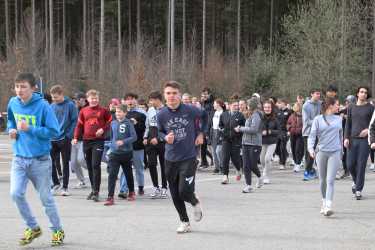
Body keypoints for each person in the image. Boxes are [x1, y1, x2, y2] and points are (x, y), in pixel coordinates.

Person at [7, 73, 65, 246]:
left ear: (34, 88)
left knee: (46, 198)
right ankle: (33, 227)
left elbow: (55, 132)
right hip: (19, 159)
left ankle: (57, 230)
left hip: (40, 160)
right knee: (15, 194)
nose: (19, 90)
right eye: (17, 86)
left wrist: (30, 128)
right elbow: (10, 120)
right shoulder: (13, 103)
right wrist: (12, 129)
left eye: (23, 86)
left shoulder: (43, 106)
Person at [157, 81, 205, 234]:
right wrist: (165, 138)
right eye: (168, 93)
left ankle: (194, 201)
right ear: (164, 96)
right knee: (175, 193)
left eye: (174, 93)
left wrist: (201, 133)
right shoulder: (161, 114)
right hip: (170, 158)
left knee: (184, 191)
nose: (171, 96)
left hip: (188, 156)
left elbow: (205, 116)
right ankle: (184, 222)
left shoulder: (190, 110)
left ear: (179, 94)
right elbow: (158, 132)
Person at [73, 89, 112, 202]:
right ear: (87, 99)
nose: (94, 100)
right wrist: (75, 137)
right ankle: (93, 189)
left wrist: (103, 129)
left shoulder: (104, 110)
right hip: (86, 141)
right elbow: (79, 126)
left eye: (96, 98)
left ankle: (96, 191)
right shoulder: (83, 111)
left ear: (98, 99)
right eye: (92, 98)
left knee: (95, 165)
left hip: (98, 141)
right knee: (89, 166)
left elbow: (110, 122)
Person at [308, 97, 342, 216]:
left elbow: (340, 137)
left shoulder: (339, 119)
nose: (339, 107)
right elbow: (312, 136)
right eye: (337, 104)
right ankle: (323, 201)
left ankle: (328, 205)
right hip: (321, 152)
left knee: (330, 180)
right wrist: (310, 149)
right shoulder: (318, 119)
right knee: (322, 180)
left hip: (335, 152)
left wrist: (341, 152)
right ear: (330, 106)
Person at [104, 104, 137, 205]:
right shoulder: (113, 123)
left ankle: (131, 192)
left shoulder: (129, 123)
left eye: (120, 112)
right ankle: (110, 197)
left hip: (126, 153)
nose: (118, 114)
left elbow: (134, 137)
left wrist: (123, 141)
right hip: (115, 153)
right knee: (112, 175)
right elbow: (112, 137)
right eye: (117, 112)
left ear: (125, 113)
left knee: (128, 173)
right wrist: (111, 146)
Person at [344, 86, 374, 200]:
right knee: (350, 164)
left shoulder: (371, 108)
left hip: (364, 141)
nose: (363, 94)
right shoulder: (351, 107)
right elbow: (348, 123)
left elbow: (374, 124)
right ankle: (356, 181)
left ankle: (358, 189)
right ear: (357, 93)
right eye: (361, 92)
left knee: (361, 165)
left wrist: (368, 130)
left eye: (365, 93)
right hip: (352, 139)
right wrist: (346, 138)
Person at [49, 85, 78, 196]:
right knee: (49, 162)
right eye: (52, 97)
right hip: (52, 138)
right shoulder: (51, 106)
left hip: (64, 138)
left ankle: (65, 187)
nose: (54, 99)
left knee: (65, 163)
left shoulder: (70, 105)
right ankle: (56, 183)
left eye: (56, 97)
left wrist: (68, 136)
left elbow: (75, 121)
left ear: (61, 94)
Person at [120, 93, 147, 196]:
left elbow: (146, 129)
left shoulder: (142, 113)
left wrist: (137, 123)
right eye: (128, 100)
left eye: (132, 99)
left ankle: (140, 187)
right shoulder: (123, 113)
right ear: (125, 101)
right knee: (125, 168)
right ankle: (123, 189)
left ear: (136, 100)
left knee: (139, 167)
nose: (130, 101)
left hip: (137, 145)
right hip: (125, 146)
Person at [235, 98, 263, 193]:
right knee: (246, 165)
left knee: (252, 165)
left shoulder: (257, 115)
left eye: (248, 104)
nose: (247, 105)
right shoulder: (249, 114)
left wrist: (241, 129)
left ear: (252, 105)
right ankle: (248, 185)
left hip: (255, 144)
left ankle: (260, 177)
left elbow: (254, 129)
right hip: (245, 143)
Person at [143, 91, 168, 199]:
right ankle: (155, 187)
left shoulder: (166, 110)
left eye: (151, 100)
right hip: (150, 140)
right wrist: (145, 137)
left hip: (162, 141)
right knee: (152, 164)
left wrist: (158, 138)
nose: (150, 102)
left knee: (164, 165)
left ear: (157, 99)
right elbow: (148, 125)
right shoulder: (150, 110)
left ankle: (164, 187)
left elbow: (168, 128)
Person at [219, 98, 246, 184]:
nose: (236, 107)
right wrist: (222, 130)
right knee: (225, 158)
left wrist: (240, 129)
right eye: (234, 105)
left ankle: (238, 170)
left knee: (235, 159)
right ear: (230, 106)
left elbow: (244, 127)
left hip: (236, 140)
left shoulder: (240, 115)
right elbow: (220, 125)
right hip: (225, 139)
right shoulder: (224, 114)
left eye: (237, 106)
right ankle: (225, 176)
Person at [302, 89, 322, 181]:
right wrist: (318, 121)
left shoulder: (320, 104)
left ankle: (311, 170)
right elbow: (306, 121)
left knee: (315, 152)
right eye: (317, 94)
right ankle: (307, 172)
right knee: (309, 153)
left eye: (319, 94)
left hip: (317, 132)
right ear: (311, 94)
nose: (318, 95)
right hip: (308, 133)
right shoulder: (306, 106)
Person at [70, 92, 88, 188]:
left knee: (81, 159)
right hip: (75, 138)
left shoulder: (88, 108)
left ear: (82, 99)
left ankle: (94, 171)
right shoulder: (74, 109)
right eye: (74, 100)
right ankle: (82, 181)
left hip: (84, 138)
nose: (75, 102)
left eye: (76, 100)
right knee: (73, 163)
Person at [260, 101, 280, 184]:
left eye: (268, 107)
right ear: (263, 108)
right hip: (262, 142)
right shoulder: (260, 118)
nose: (267, 109)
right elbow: (257, 128)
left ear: (271, 108)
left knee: (267, 158)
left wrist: (269, 132)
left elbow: (278, 131)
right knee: (262, 160)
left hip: (272, 142)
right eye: (265, 107)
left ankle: (266, 176)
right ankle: (266, 168)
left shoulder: (275, 119)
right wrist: (260, 132)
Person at [275, 99, 292, 170]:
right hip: (277, 132)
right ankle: (284, 156)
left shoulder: (289, 112)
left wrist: (289, 130)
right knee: (276, 148)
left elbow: (291, 122)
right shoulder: (278, 111)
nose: (279, 105)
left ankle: (282, 163)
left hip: (285, 132)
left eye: (280, 103)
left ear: (284, 104)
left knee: (282, 147)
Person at [200, 88, 214, 168]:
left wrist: (208, 127)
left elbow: (210, 115)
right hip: (203, 125)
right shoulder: (203, 103)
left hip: (209, 126)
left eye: (206, 94)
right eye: (203, 94)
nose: (204, 96)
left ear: (209, 94)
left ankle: (212, 159)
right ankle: (204, 161)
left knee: (208, 145)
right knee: (203, 145)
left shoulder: (211, 103)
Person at [287, 103, 304, 172]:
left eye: (297, 107)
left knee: (298, 149)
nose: (295, 108)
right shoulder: (292, 116)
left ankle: (298, 164)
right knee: (293, 149)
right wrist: (289, 128)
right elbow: (288, 123)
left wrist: (301, 130)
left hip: (300, 135)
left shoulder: (303, 116)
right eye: (294, 107)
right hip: (292, 134)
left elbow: (305, 125)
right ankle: (295, 161)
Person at [211, 99, 225, 174]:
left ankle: (222, 167)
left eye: (214, 103)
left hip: (220, 132)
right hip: (214, 131)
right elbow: (212, 124)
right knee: (214, 151)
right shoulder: (214, 112)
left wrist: (221, 133)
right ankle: (217, 167)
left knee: (219, 151)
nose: (213, 105)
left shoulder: (223, 113)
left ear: (218, 104)